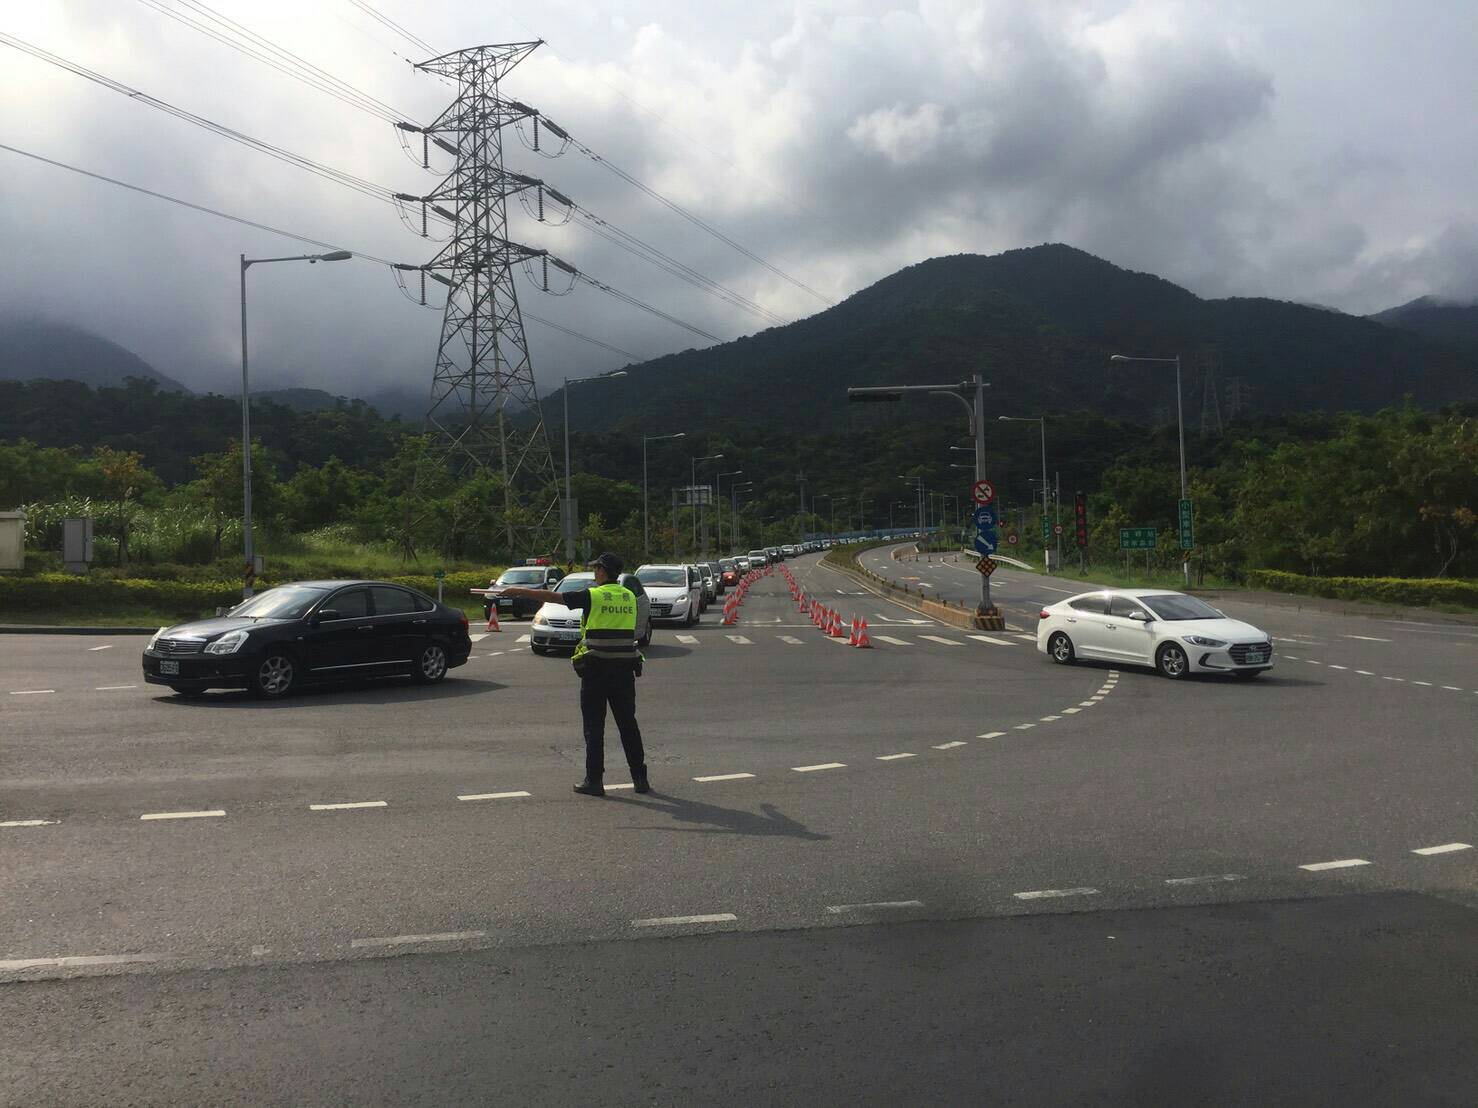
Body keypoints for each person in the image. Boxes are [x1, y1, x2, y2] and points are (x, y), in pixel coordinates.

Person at [497, 552, 648, 798]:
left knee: (594, 727)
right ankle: (640, 778)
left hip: (596, 670)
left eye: (597, 569)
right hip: (624, 670)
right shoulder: (629, 596)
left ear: (603, 571)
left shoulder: (594, 595)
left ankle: (594, 780)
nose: (594, 573)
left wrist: (520, 591)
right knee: (628, 725)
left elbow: (555, 597)